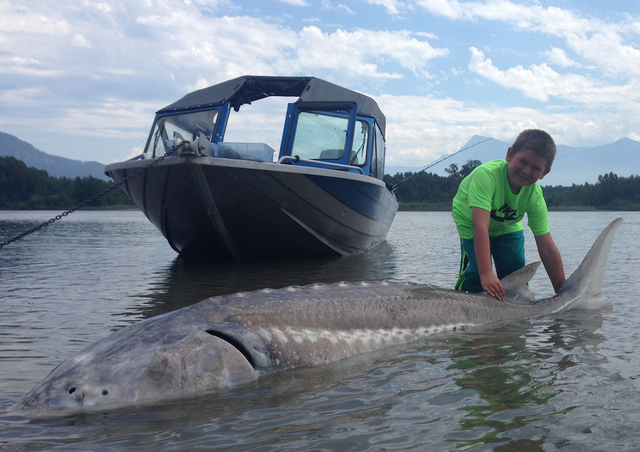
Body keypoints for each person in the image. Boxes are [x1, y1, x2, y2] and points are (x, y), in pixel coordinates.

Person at [451, 129, 566, 301]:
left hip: (507, 227)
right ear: (510, 154)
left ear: (545, 173)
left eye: (536, 168)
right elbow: (480, 226)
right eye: (523, 161)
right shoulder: (487, 176)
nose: (527, 171)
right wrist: (486, 272)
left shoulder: (534, 195)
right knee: (475, 274)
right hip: (470, 220)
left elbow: (546, 246)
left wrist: (563, 292)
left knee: (514, 274)